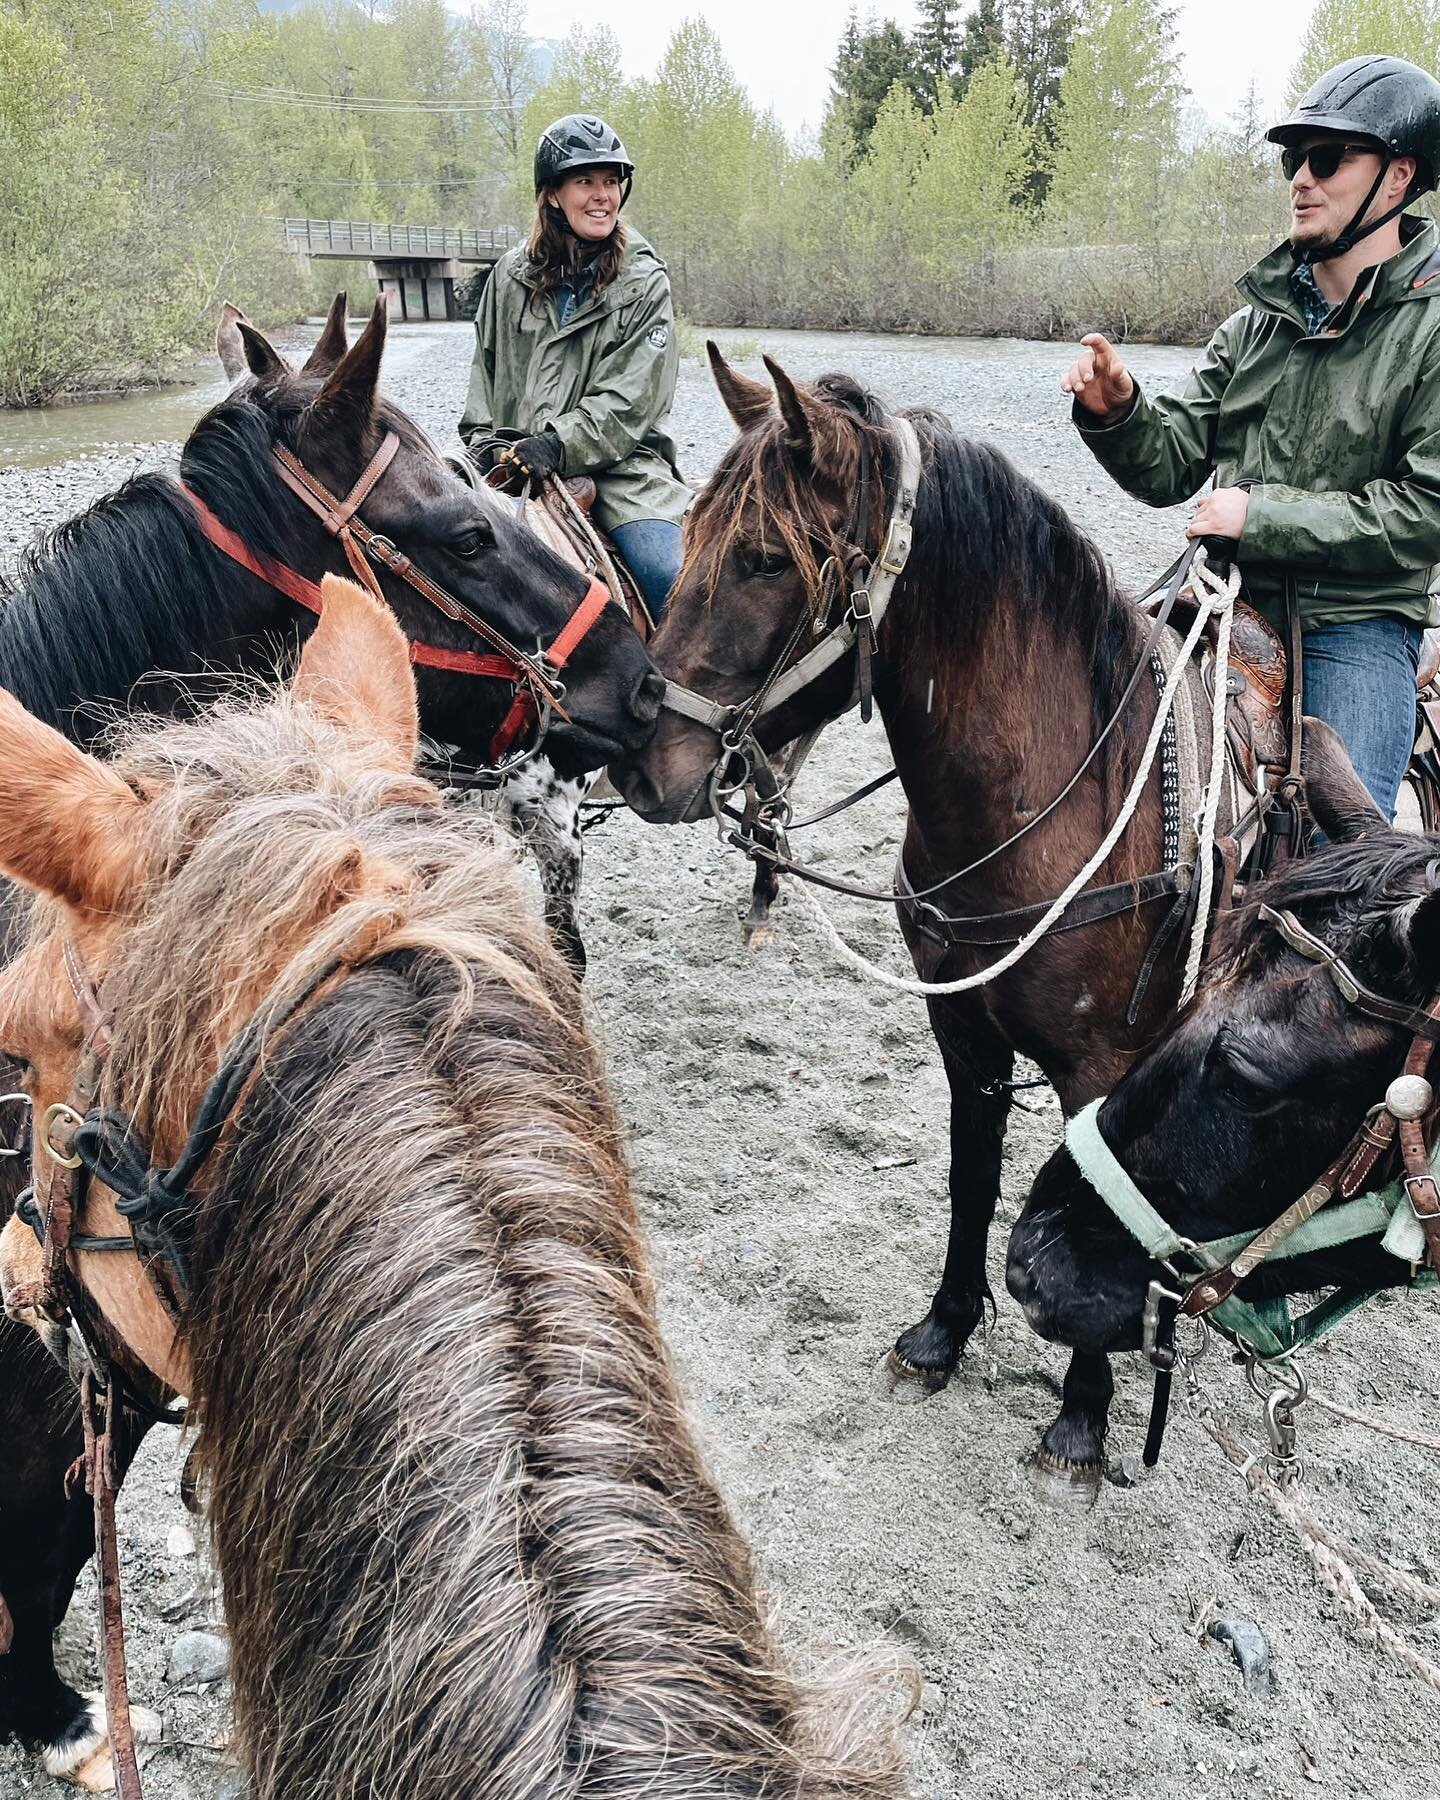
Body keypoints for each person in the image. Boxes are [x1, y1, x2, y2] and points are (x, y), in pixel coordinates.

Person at [1061, 55, 1440, 819]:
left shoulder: (1433, 329)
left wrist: (1258, 516)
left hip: (1357, 625)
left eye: (1327, 158)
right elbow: (1168, 468)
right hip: (1222, 605)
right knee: (1082, 771)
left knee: (1340, 869)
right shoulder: (1252, 327)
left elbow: (1425, 512)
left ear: (1396, 178)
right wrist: (1120, 411)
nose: (1301, 178)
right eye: (1294, 159)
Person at [459, 113, 689, 619]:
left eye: (611, 182)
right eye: (585, 181)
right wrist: (482, 444)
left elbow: (630, 402)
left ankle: (681, 695)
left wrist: (558, 444)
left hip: (623, 471)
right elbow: (486, 371)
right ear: (552, 194)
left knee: (666, 575)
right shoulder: (508, 277)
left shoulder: (645, 282)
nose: (602, 195)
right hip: (513, 459)